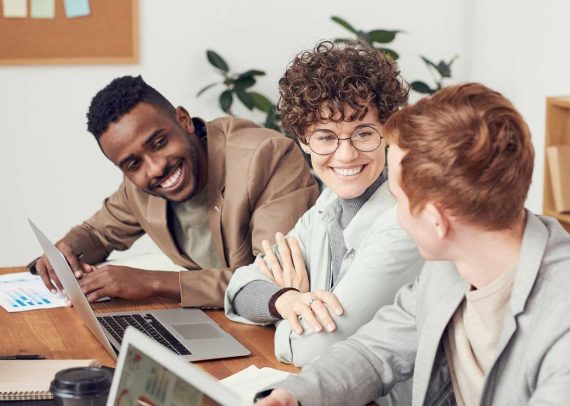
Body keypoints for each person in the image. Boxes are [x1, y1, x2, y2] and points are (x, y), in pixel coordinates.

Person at [255, 82, 570, 406]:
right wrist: (293, 396)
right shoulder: (448, 270)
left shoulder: (561, 319)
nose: (393, 212)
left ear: (437, 220)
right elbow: (372, 353)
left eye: (397, 197)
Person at [28, 75, 319, 308]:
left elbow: (271, 281)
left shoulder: (266, 157)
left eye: (158, 143)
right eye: (133, 163)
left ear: (183, 120)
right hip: (219, 322)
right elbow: (97, 234)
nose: (154, 168)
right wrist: (66, 251)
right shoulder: (138, 188)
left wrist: (154, 283)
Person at [225, 40, 423, 378]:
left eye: (363, 133)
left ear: (388, 132)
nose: (345, 156)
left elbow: (314, 348)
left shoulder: (402, 225)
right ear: (303, 140)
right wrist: (286, 300)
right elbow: (239, 287)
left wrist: (297, 303)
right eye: (326, 137)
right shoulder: (329, 203)